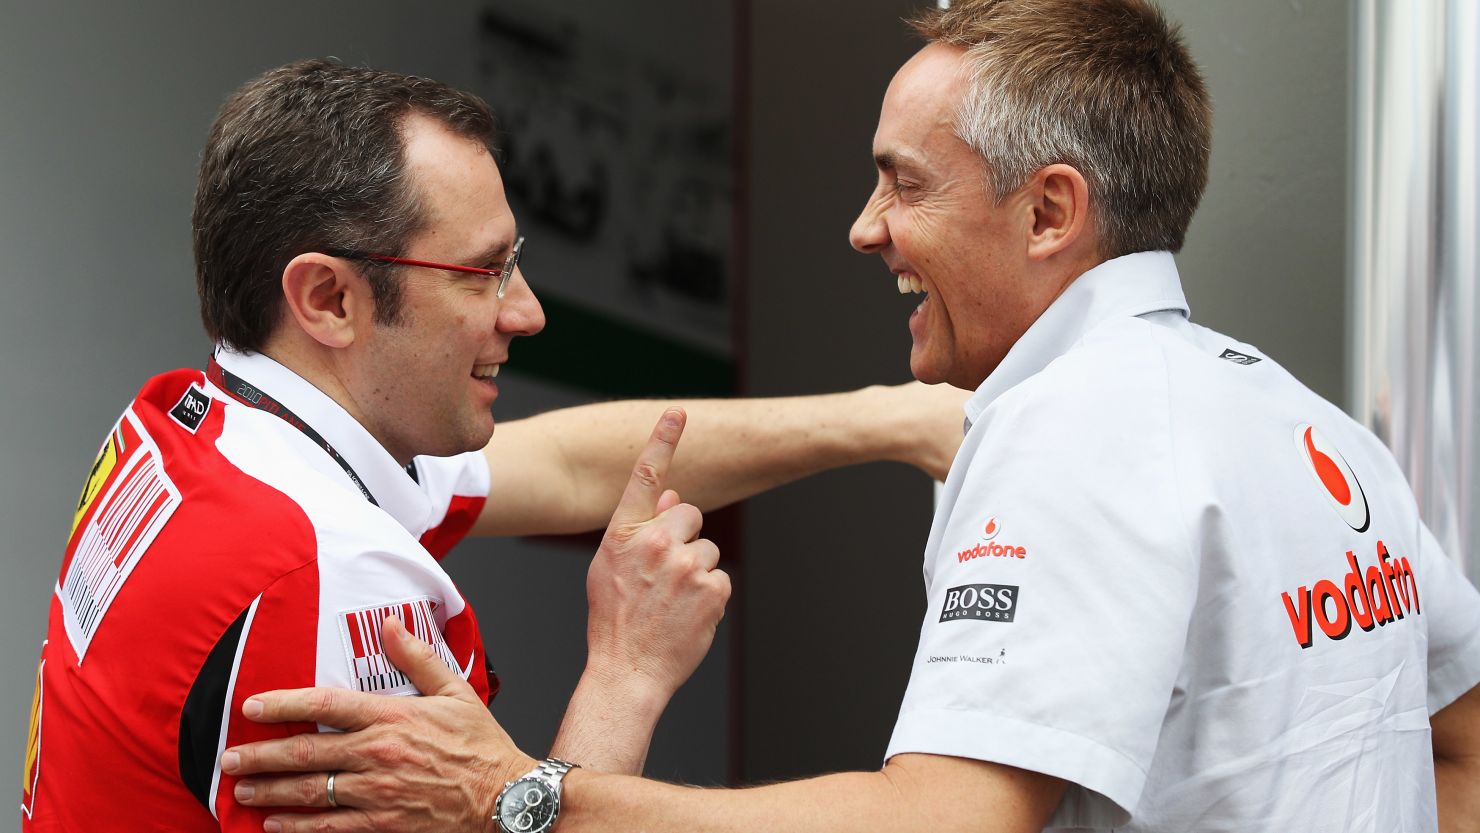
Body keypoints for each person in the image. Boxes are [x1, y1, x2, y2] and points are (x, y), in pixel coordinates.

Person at [220, 1, 1480, 832]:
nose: (864, 227)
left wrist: (527, 791)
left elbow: (940, 819)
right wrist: (887, 416)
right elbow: (1461, 746)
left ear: (1049, 213)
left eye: (901, 182)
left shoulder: (1069, 428)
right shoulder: (1311, 426)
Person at [18, 59, 968, 831]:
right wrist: (626, 673)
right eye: (481, 272)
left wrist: (889, 419)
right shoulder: (324, 569)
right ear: (328, 299)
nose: (526, 310)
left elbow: (562, 465)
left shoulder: (199, 422)